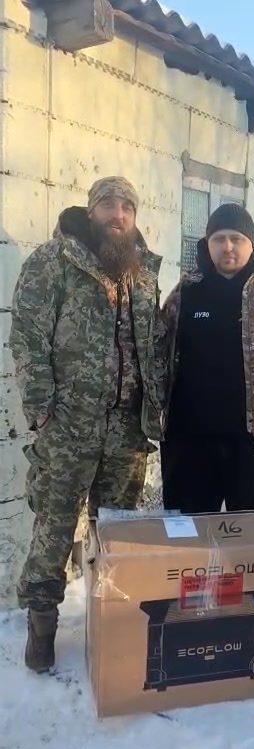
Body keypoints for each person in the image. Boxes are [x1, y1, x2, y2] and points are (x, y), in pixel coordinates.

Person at [9, 176, 165, 674]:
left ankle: (110, 618)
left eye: (127, 207)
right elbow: (27, 336)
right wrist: (41, 408)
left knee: (115, 531)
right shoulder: (54, 261)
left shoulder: (143, 272)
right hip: (67, 427)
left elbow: (154, 345)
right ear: (91, 209)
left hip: (127, 430)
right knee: (54, 528)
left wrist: (155, 406)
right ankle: (41, 627)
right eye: (108, 205)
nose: (117, 215)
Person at [160, 203, 254, 513]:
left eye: (236, 239)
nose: (227, 246)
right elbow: (162, 351)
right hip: (191, 439)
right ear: (207, 244)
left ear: (251, 244)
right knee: (189, 530)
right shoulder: (185, 293)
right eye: (219, 239)